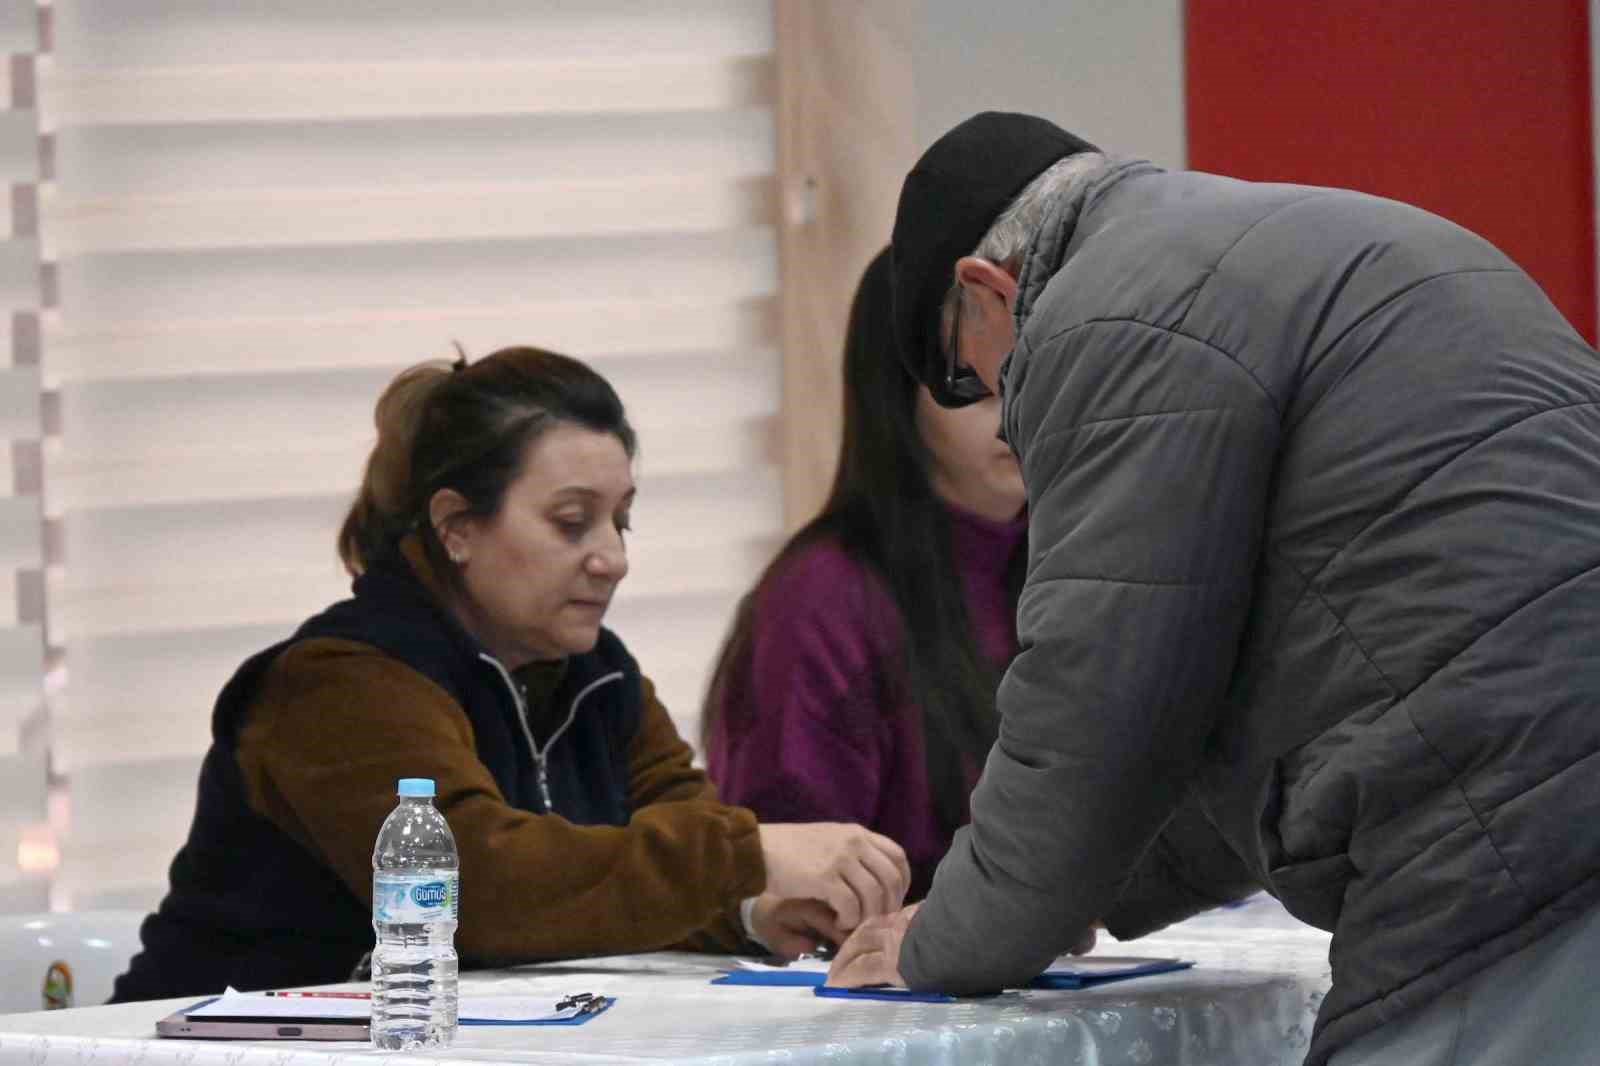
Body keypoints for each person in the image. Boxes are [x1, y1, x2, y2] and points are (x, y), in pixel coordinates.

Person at [826, 112, 1600, 1066]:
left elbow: (1101, 700)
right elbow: (1221, 709)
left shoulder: (1104, 317)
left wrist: (952, 939)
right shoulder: (1314, 235)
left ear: (986, 289)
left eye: (969, 374)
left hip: (1511, 821)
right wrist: (1065, 893)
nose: (1001, 417)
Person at [111, 345, 909, 1002]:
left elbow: (640, 873)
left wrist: (754, 912)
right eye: (572, 522)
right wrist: (749, 858)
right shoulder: (338, 685)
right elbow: (478, 890)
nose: (615, 557)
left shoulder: (601, 678)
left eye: (621, 519)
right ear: (457, 526)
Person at [703, 247, 1027, 901]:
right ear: (895, 394)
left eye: (1029, 374)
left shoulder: (1086, 567)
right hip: (888, 979)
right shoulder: (823, 599)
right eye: (972, 384)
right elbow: (796, 879)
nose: (1012, 409)